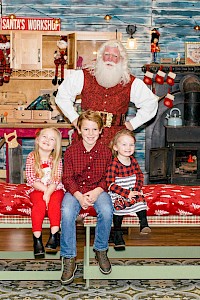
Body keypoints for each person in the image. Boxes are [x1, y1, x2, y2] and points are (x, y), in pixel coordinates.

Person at [55, 39, 158, 146]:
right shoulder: (83, 76)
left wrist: (133, 124)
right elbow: (62, 96)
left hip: (116, 140)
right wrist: (74, 118)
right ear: (100, 57)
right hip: (87, 137)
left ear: (122, 60)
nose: (110, 59)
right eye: (107, 54)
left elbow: (150, 103)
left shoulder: (131, 82)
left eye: (115, 56)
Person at [60, 110, 113, 285]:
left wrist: (98, 191)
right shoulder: (71, 152)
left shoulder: (106, 152)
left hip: (98, 190)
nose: (90, 134)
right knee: (67, 211)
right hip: (76, 190)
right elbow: (67, 178)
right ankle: (69, 258)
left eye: (94, 130)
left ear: (100, 131)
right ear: (79, 130)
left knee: (106, 210)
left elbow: (109, 177)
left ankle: (100, 249)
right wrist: (78, 196)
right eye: (86, 129)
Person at [106, 129, 151, 251]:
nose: (128, 147)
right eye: (124, 144)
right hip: (119, 192)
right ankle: (117, 232)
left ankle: (143, 223)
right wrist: (126, 193)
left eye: (131, 144)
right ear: (115, 147)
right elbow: (110, 184)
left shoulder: (133, 161)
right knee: (118, 208)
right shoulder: (114, 164)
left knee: (141, 201)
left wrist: (135, 190)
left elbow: (140, 176)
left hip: (132, 189)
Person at [25, 127, 65, 258]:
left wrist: (48, 193)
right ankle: (37, 239)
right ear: (37, 140)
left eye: (52, 139)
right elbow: (31, 179)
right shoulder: (32, 157)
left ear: (56, 145)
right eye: (44, 137)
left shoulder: (56, 159)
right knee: (38, 206)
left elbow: (56, 178)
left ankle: (54, 235)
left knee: (55, 204)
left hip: (55, 188)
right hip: (37, 188)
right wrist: (44, 192)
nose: (47, 140)